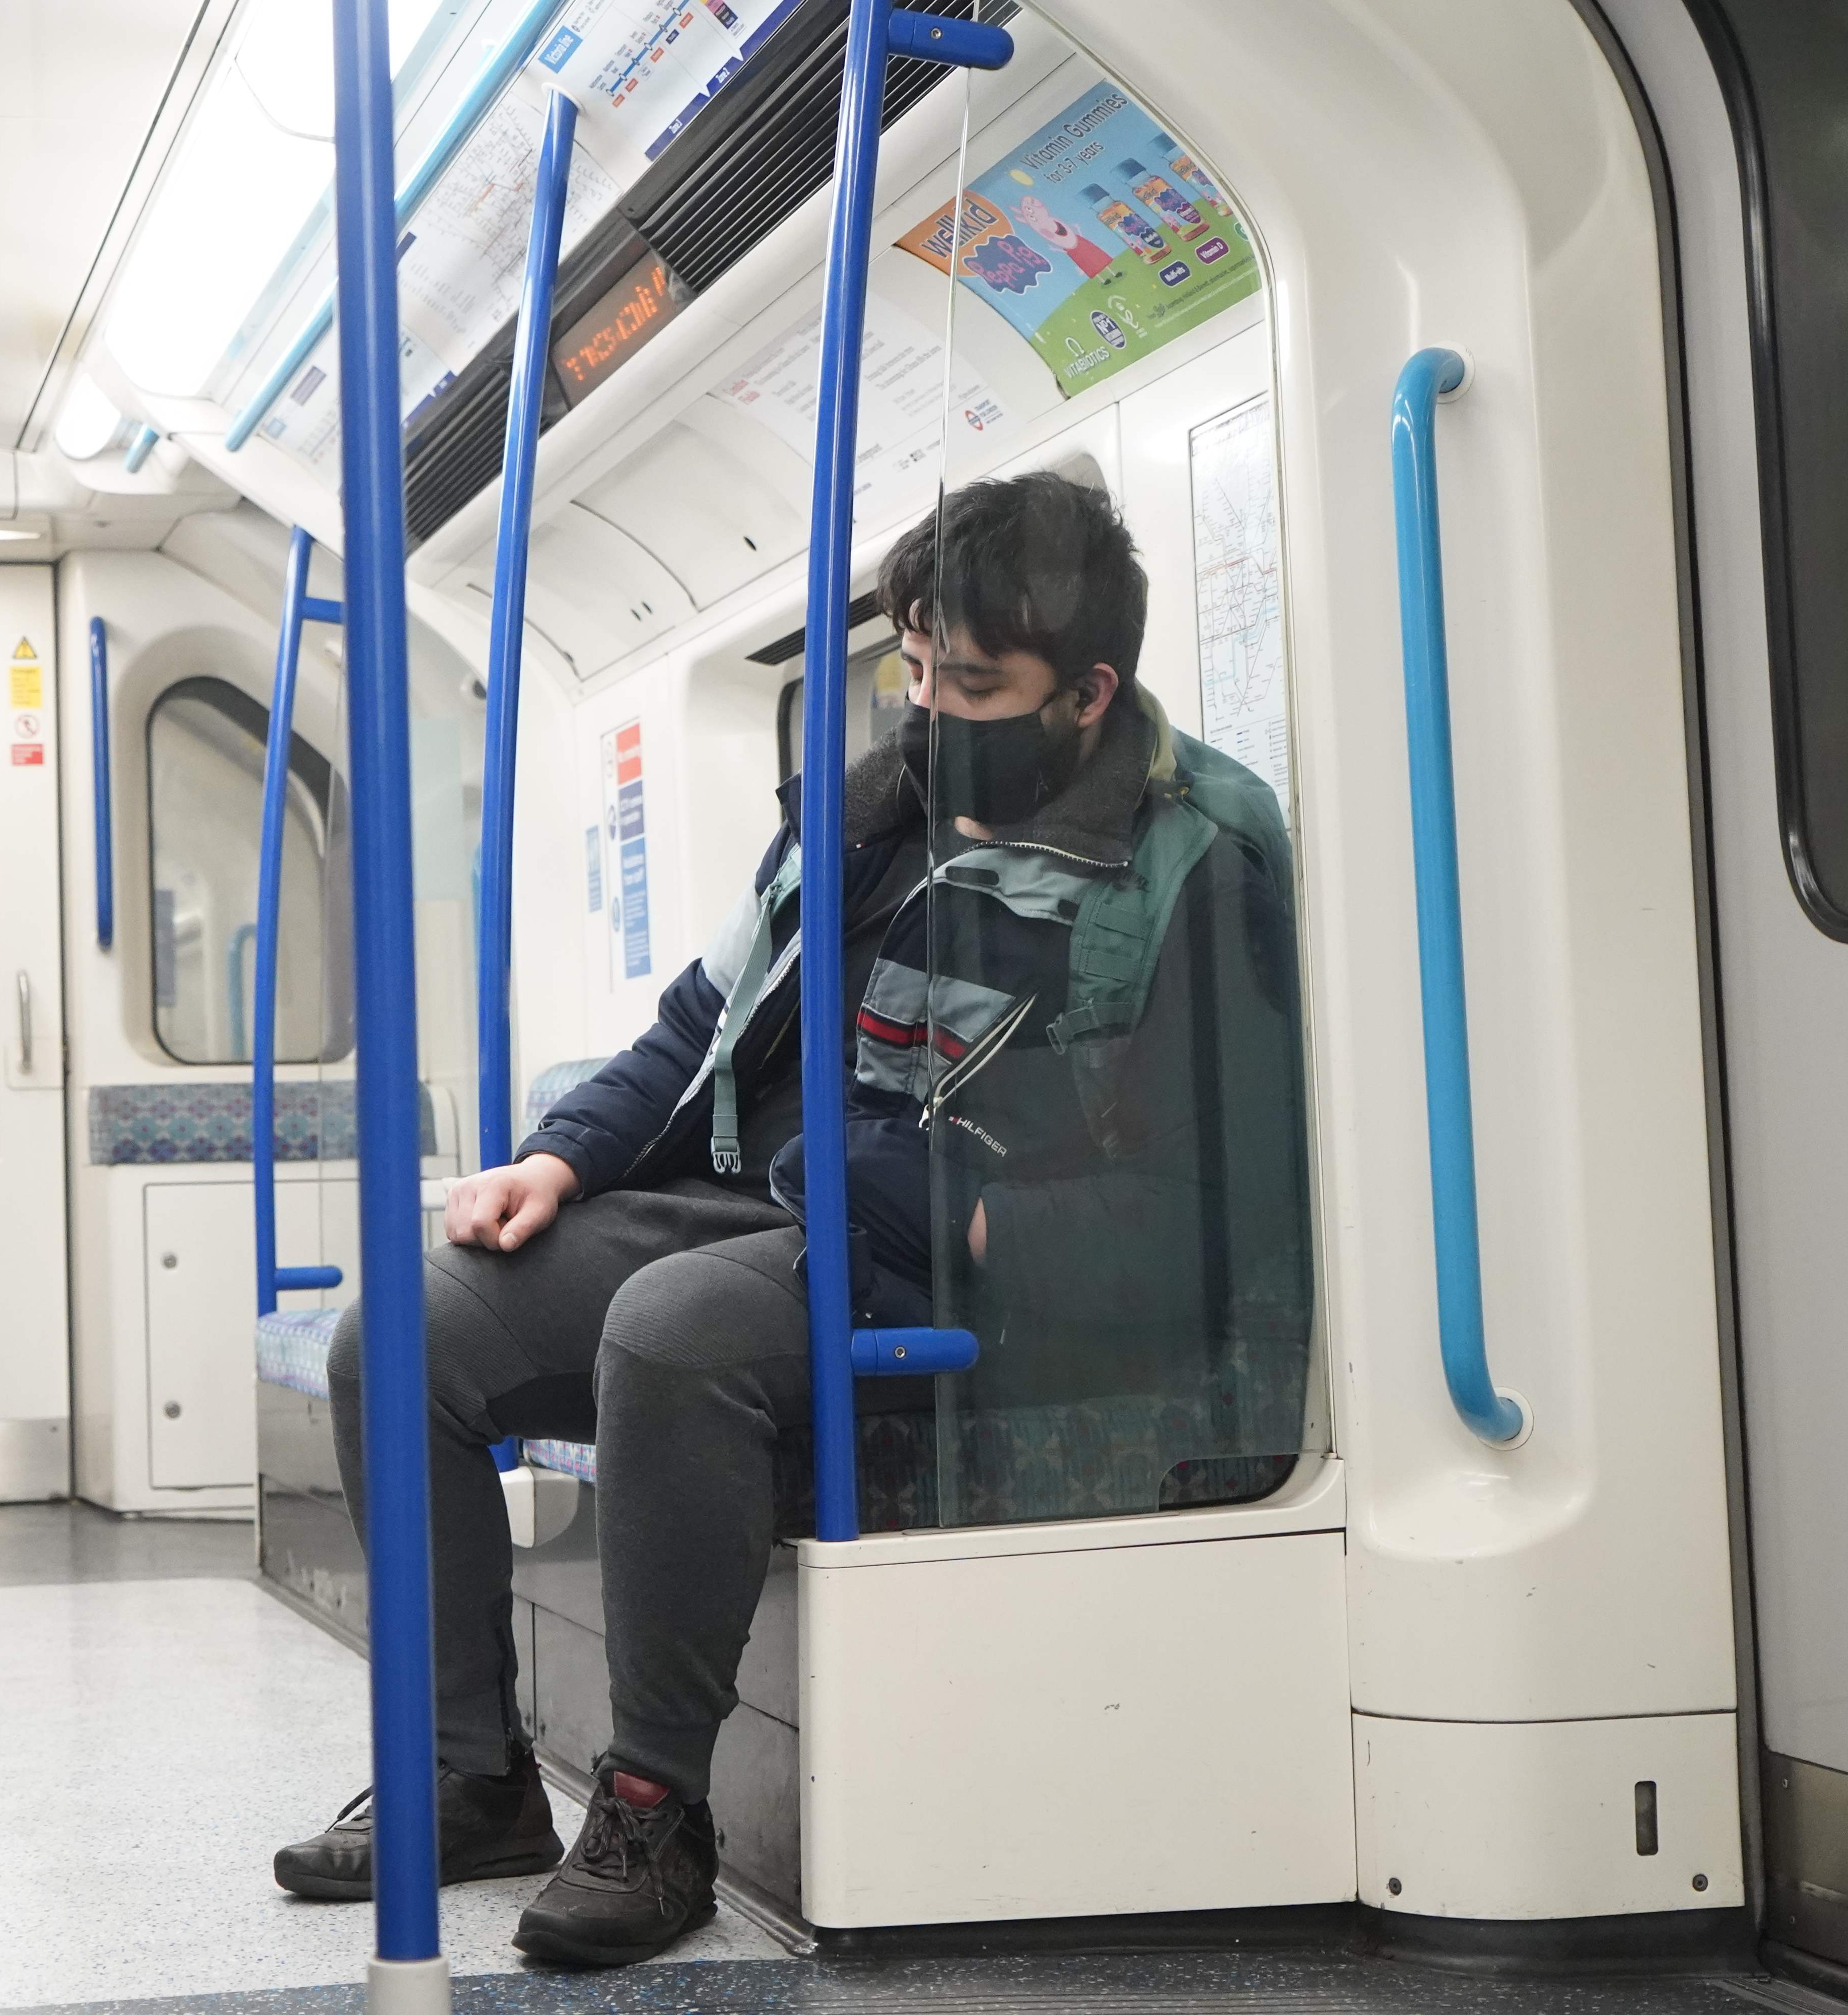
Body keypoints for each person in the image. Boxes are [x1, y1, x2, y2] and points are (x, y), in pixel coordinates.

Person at [273, 475, 1305, 1965]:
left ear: (1089, 692)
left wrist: (980, 1228)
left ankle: (653, 1809)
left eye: (977, 683)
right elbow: (695, 1026)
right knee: (409, 1325)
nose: (933, 707)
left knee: (674, 1331)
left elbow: (1210, 1206)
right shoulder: (871, 810)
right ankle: (468, 1776)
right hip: (765, 1201)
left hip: (947, 1263)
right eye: (917, 669)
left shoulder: (1192, 857)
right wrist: (558, 1161)